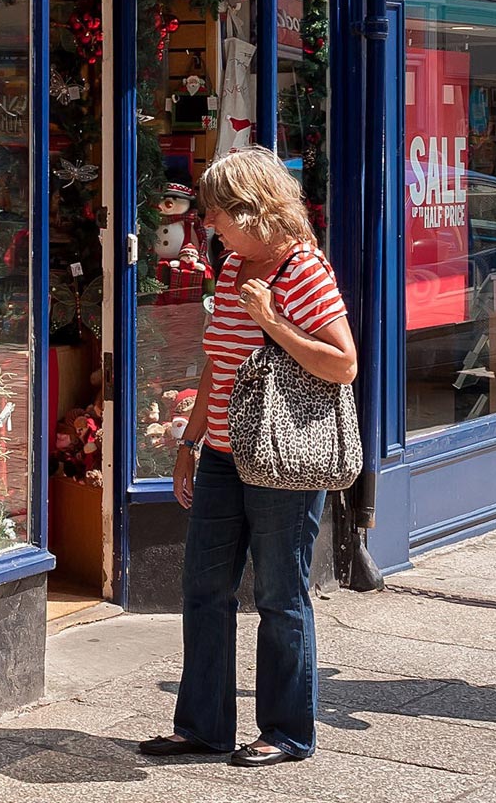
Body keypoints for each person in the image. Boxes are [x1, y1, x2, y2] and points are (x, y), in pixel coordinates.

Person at [139, 148, 358, 768]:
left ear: (254, 210)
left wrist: (274, 321)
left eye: (218, 216)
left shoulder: (304, 272)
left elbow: (343, 364)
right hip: (222, 453)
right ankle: (203, 726)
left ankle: (288, 732)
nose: (210, 227)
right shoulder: (234, 263)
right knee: (203, 588)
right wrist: (189, 443)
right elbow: (217, 361)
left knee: (280, 595)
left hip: (283, 456)